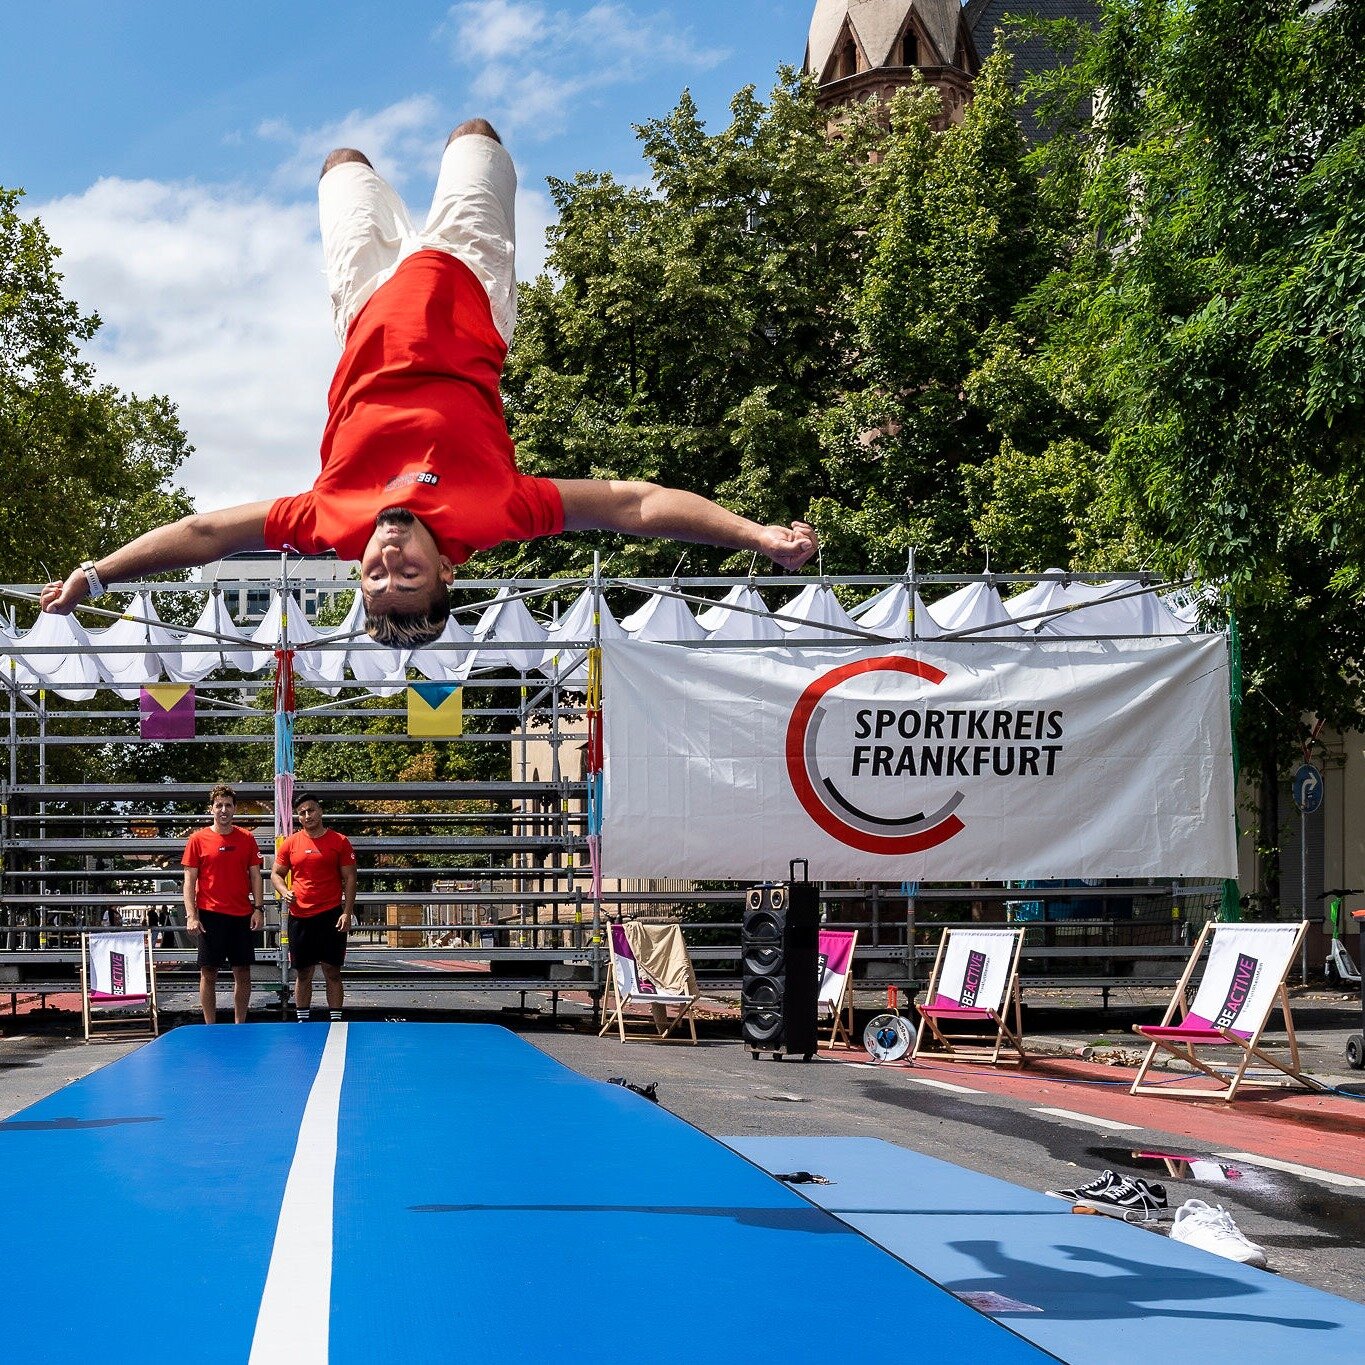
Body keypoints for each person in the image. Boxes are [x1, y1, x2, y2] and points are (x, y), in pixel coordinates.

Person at [39, 119, 818, 645]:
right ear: (448, 569)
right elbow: (632, 505)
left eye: (375, 578)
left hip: (367, 298)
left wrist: (96, 571)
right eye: (406, 574)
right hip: (468, 277)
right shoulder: (501, 511)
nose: (386, 560)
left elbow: (205, 537)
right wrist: (754, 534)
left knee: (341, 162)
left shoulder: (326, 521)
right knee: (473, 134)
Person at [271, 791, 357, 1023]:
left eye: (311, 810)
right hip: (300, 916)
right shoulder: (291, 843)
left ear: (320, 811)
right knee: (303, 972)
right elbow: (276, 874)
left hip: (330, 915)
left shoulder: (339, 841)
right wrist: (284, 891)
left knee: (332, 971)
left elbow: (350, 878)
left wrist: (347, 912)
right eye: (302, 813)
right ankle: (302, 1020)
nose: (307, 815)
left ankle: (336, 1020)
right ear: (298, 817)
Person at [182, 785, 264, 1024]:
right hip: (210, 915)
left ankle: (240, 1024)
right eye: (219, 805)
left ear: (235, 809)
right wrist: (191, 915)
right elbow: (189, 880)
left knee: (243, 973)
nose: (224, 809)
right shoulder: (197, 839)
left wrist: (258, 909)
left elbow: (256, 876)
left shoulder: (247, 838)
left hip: (241, 915)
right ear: (211, 809)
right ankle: (211, 1026)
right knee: (208, 972)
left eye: (228, 805)